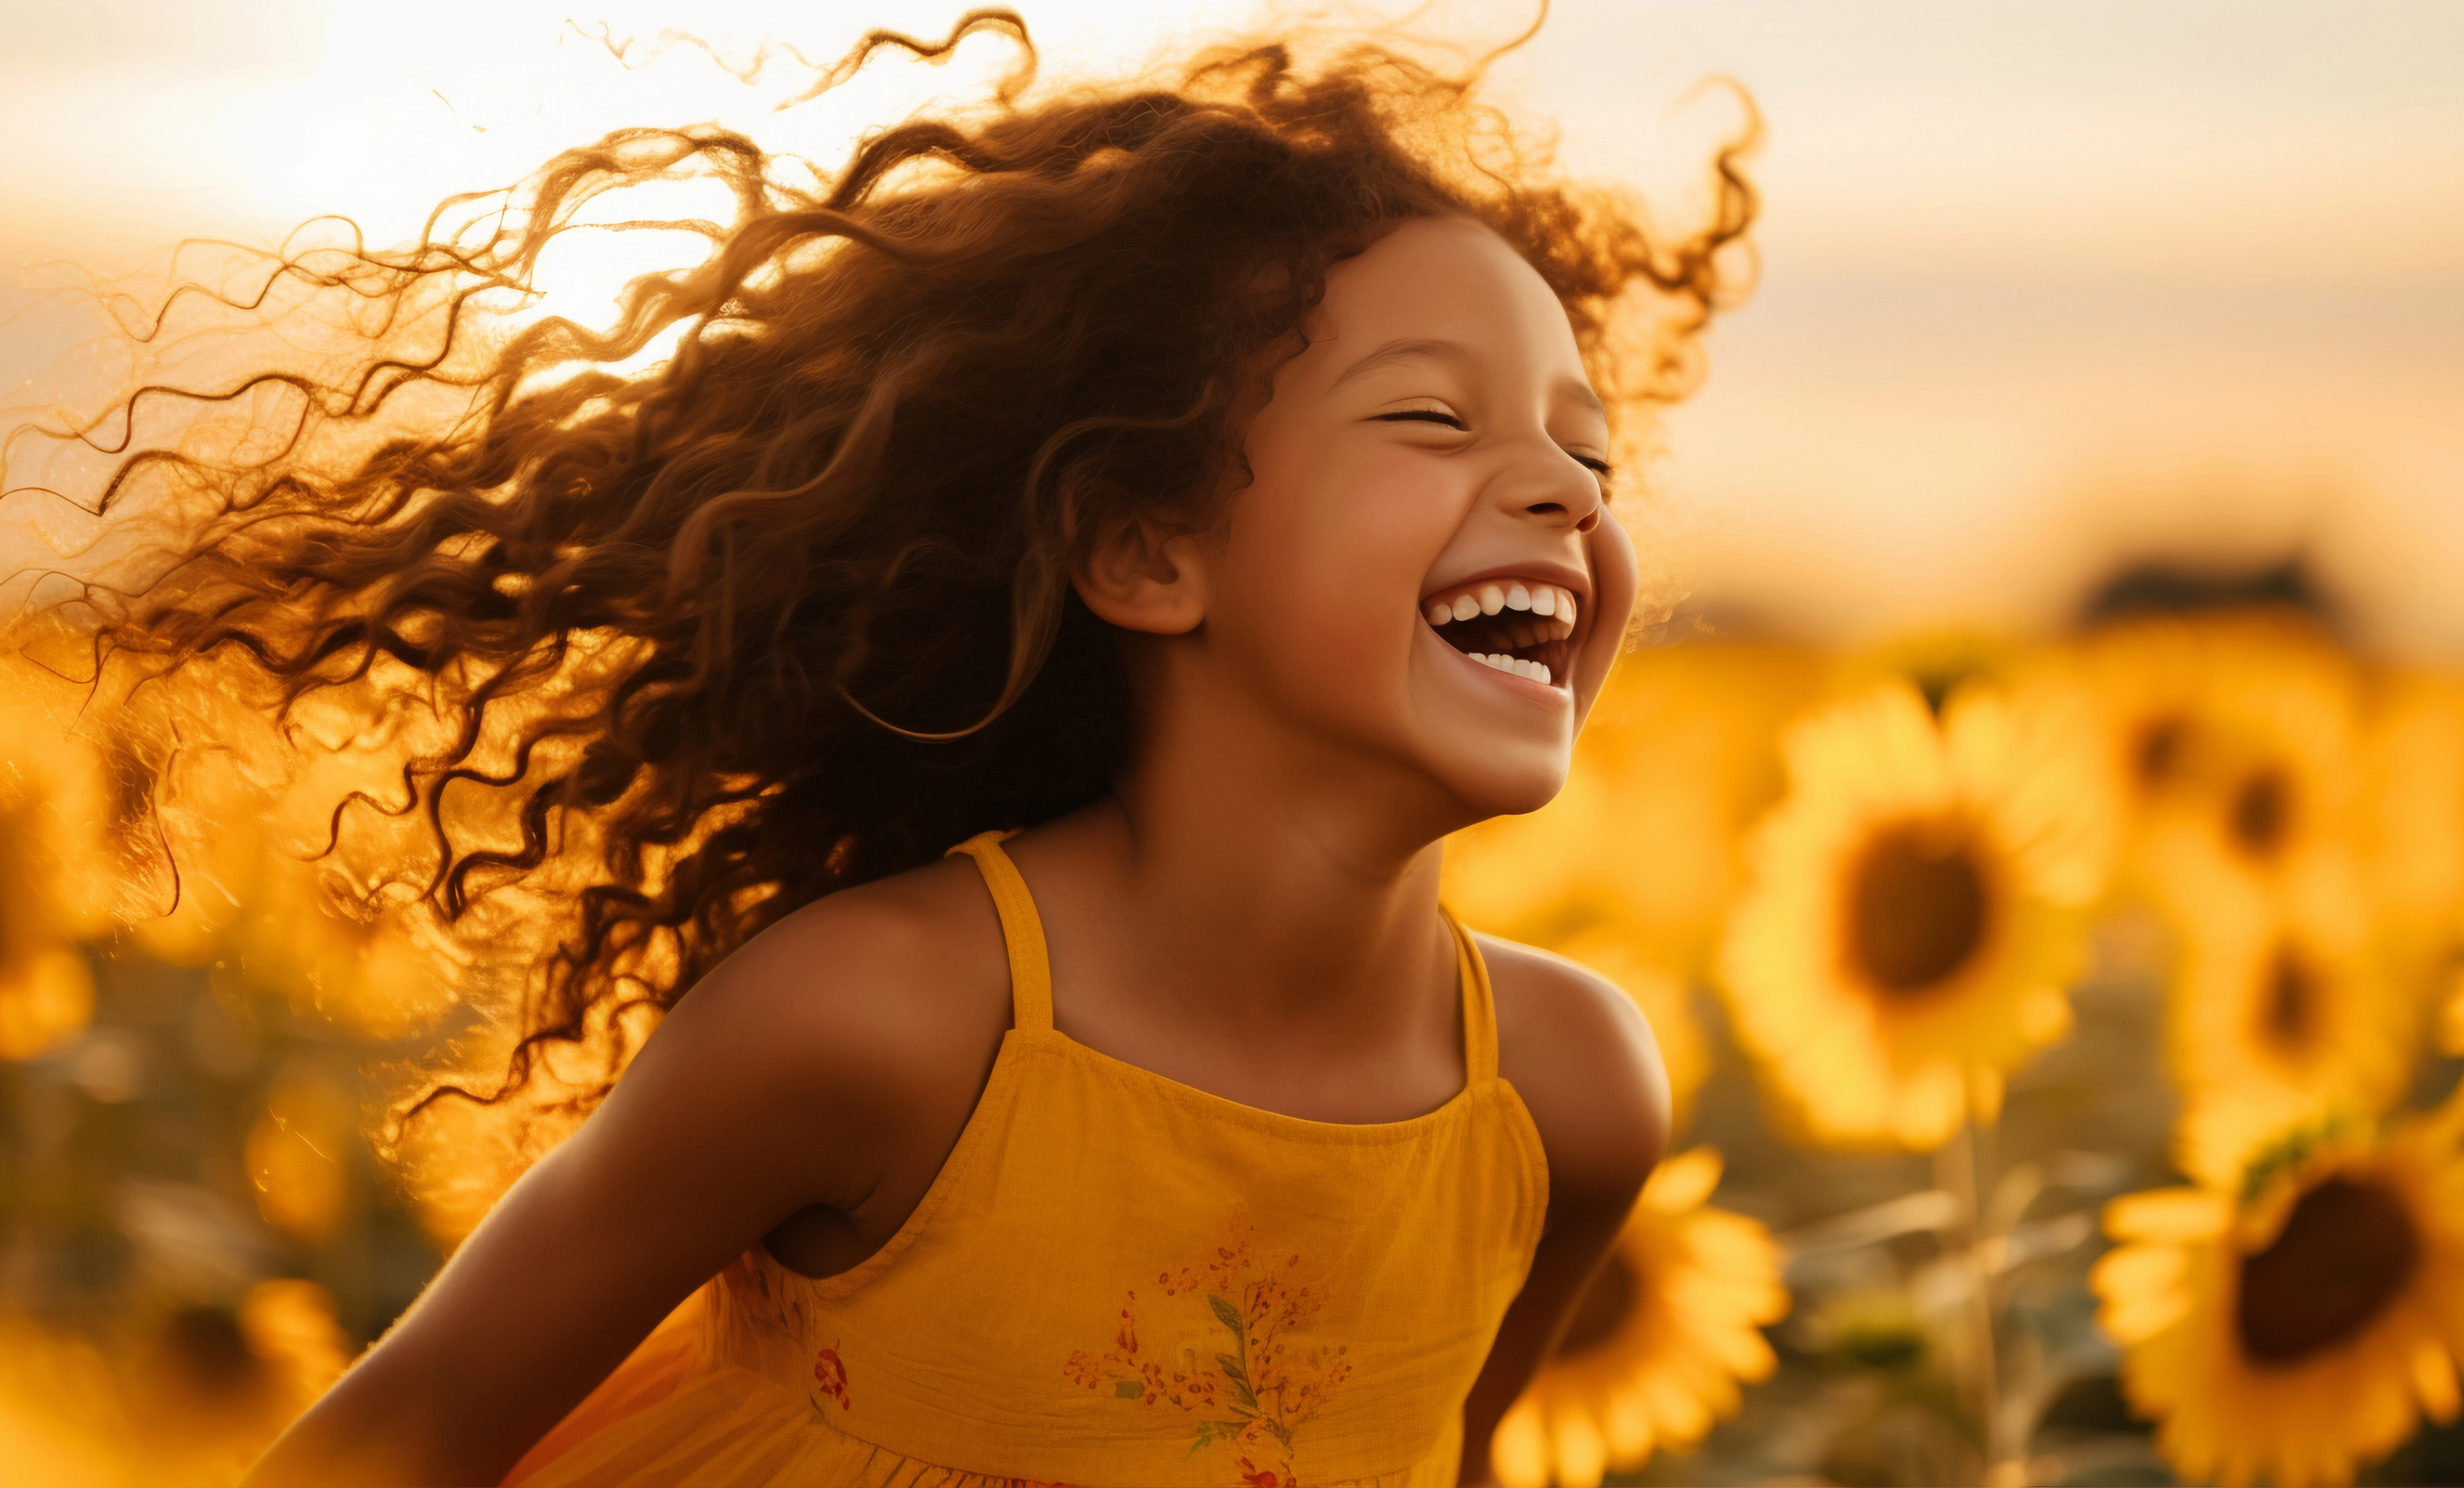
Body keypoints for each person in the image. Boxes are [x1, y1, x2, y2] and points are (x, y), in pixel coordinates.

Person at [54, 10, 1750, 1485]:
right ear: (1149, 553)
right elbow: (392, 1442)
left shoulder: (1567, 1093)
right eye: (1432, 418)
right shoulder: (886, 1027)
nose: (1560, 492)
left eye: (1582, 453)